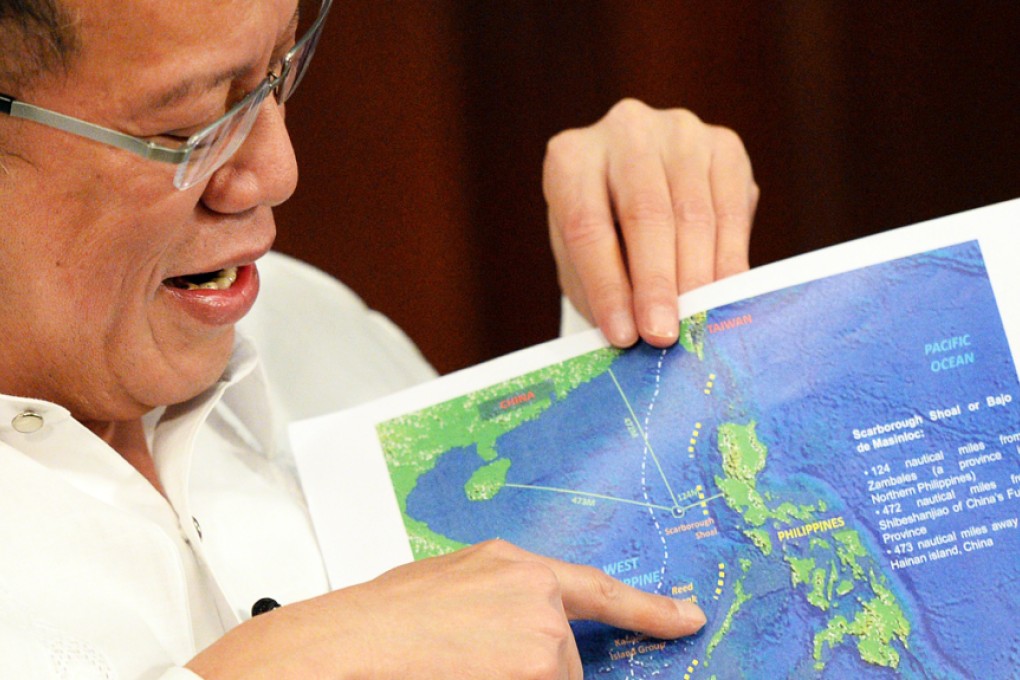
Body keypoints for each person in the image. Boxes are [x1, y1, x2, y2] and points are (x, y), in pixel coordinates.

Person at [0, 0, 758, 677]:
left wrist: (623, 316)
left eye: (278, 73)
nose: (276, 170)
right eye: (189, 127)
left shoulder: (312, 325)